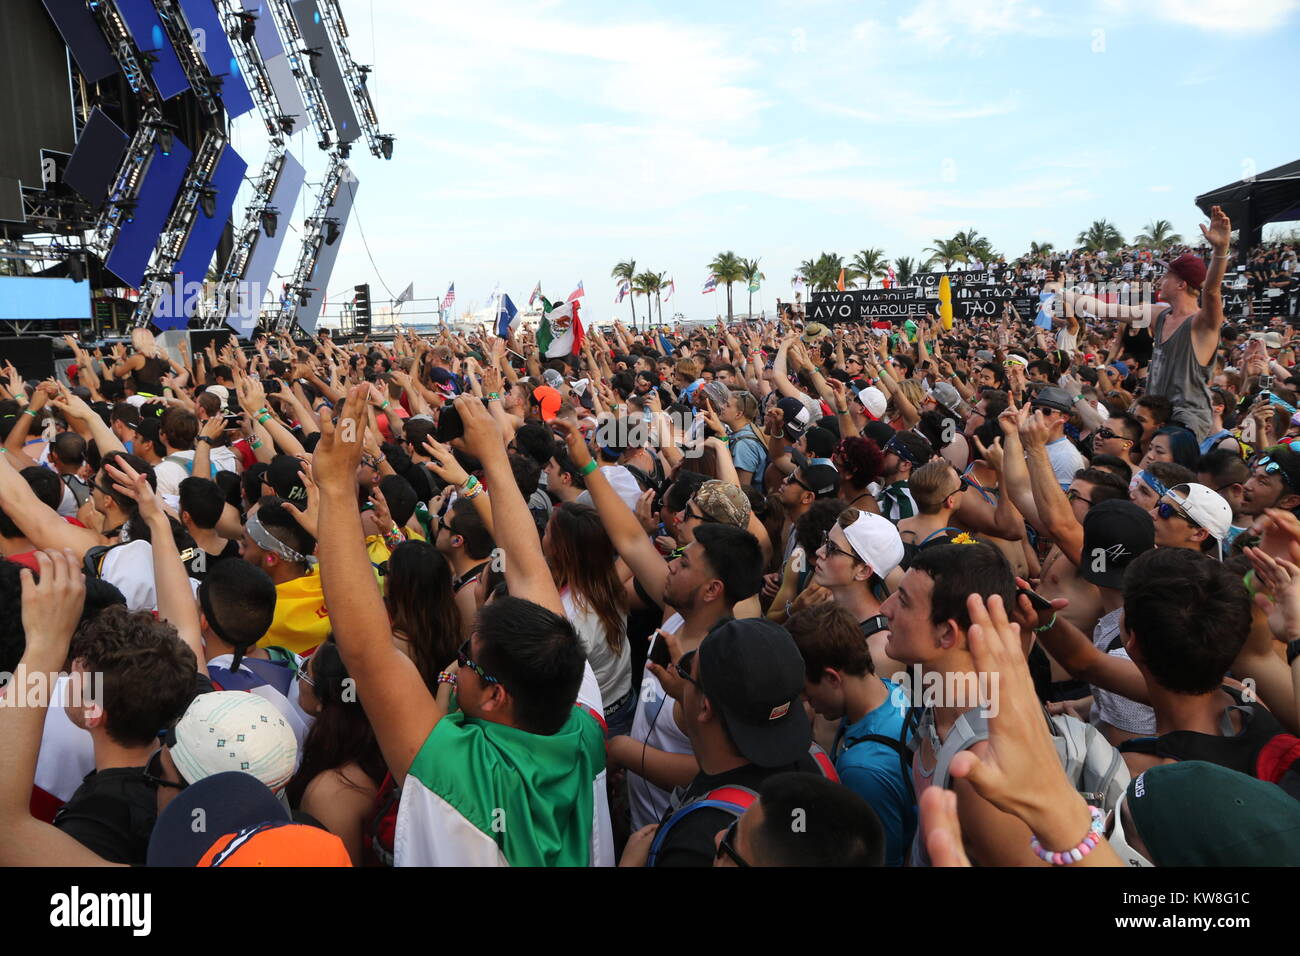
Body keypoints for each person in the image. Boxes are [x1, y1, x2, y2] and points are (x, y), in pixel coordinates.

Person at [313, 389, 613, 866]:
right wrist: (493, 453)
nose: (457, 662)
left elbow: (367, 651)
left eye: (468, 659)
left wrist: (333, 486)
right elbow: (529, 567)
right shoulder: (584, 725)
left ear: (497, 696)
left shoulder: (459, 771)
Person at [637, 618, 829, 866]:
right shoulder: (815, 762)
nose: (681, 674)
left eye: (687, 672)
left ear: (705, 707)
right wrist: (689, 694)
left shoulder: (701, 844)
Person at [787, 603, 914, 866]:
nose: (804, 699)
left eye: (805, 688)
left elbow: (879, 859)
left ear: (833, 678)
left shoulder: (863, 769)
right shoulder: (889, 690)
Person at [285, 638, 387, 866]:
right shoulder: (386, 742)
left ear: (323, 701)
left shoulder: (331, 795)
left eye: (304, 669)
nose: (299, 678)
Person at [546, 502, 635, 735]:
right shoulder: (604, 583)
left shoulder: (573, 617)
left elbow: (560, 683)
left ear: (559, 549)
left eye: (546, 532)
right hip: (621, 698)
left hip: (598, 717)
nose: (541, 536)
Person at [243, 497, 330, 657]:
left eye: (246, 545)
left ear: (272, 559)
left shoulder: (260, 619)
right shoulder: (331, 575)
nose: (240, 552)